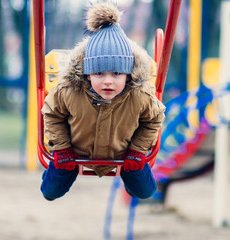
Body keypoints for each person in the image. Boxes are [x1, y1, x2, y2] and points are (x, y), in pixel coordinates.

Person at [40, 2, 165, 201]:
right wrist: (62, 149)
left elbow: (154, 119)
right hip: (73, 152)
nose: (108, 81)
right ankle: (58, 170)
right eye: (99, 73)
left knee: (145, 192)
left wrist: (137, 150)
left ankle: (134, 181)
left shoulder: (140, 95)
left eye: (116, 73)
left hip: (124, 154)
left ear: (128, 74)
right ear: (88, 74)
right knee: (50, 192)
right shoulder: (69, 91)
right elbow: (51, 113)